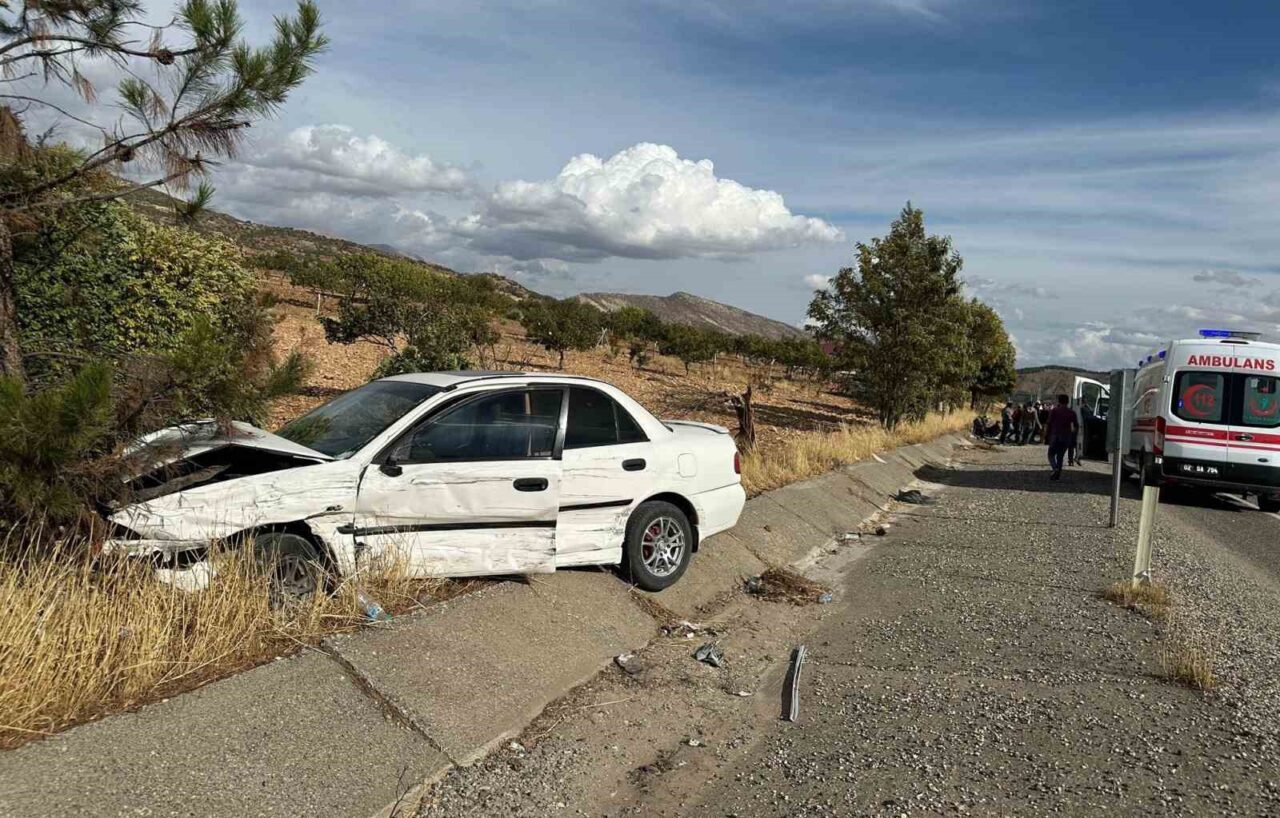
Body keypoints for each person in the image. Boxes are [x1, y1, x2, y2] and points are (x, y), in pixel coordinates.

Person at [1046, 393, 1079, 480]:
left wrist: (1047, 435)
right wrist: (1073, 435)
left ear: (1059, 401)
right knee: (1060, 456)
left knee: (1051, 454)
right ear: (1068, 402)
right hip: (1066, 436)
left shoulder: (1054, 411)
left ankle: (1055, 468)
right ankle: (1057, 474)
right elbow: (1076, 425)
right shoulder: (1072, 413)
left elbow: (1049, 423)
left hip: (1055, 435)